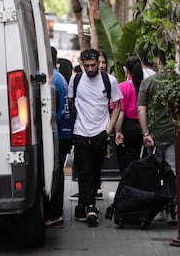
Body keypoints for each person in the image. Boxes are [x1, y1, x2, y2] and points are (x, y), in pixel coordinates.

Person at [68, 48, 122, 227]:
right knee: (84, 170)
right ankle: (91, 207)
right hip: (80, 131)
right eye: (87, 66)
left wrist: (108, 129)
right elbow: (71, 102)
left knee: (96, 170)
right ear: (82, 64)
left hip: (101, 132)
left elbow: (117, 105)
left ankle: (82, 205)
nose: (91, 69)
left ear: (99, 63)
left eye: (94, 65)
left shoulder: (109, 80)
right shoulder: (75, 80)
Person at [44, 46, 72, 228]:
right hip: (63, 133)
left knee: (56, 173)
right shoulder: (59, 77)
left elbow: (55, 112)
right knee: (57, 171)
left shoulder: (53, 79)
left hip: (59, 134)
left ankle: (55, 214)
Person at [137, 49, 175, 174]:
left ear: (158, 61)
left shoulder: (148, 82)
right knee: (172, 170)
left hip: (155, 135)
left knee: (155, 171)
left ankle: (158, 193)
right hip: (173, 134)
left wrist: (145, 133)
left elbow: (141, 109)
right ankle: (172, 193)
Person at [114, 56, 144, 175]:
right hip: (141, 127)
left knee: (126, 163)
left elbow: (121, 111)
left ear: (126, 70)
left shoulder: (123, 87)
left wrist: (118, 131)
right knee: (139, 161)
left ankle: (127, 189)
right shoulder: (144, 86)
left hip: (127, 127)